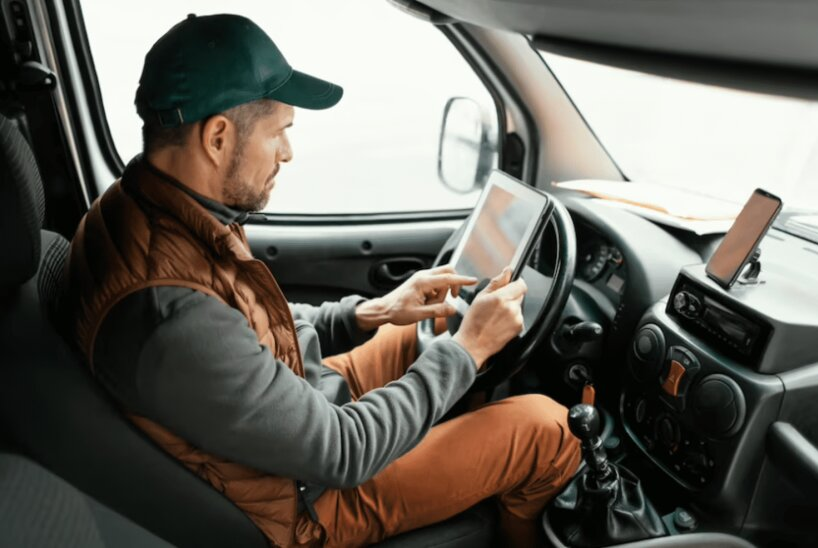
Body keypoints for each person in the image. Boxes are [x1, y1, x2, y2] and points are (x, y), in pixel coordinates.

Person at [63, 13, 580, 547]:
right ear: (218, 137)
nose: (288, 153)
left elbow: (244, 330)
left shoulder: (150, 208)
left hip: (292, 424)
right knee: (547, 430)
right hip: (302, 501)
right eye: (279, 132)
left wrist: (370, 313)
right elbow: (342, 451)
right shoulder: (167, 312)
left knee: (434, 325)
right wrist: (469, 352)